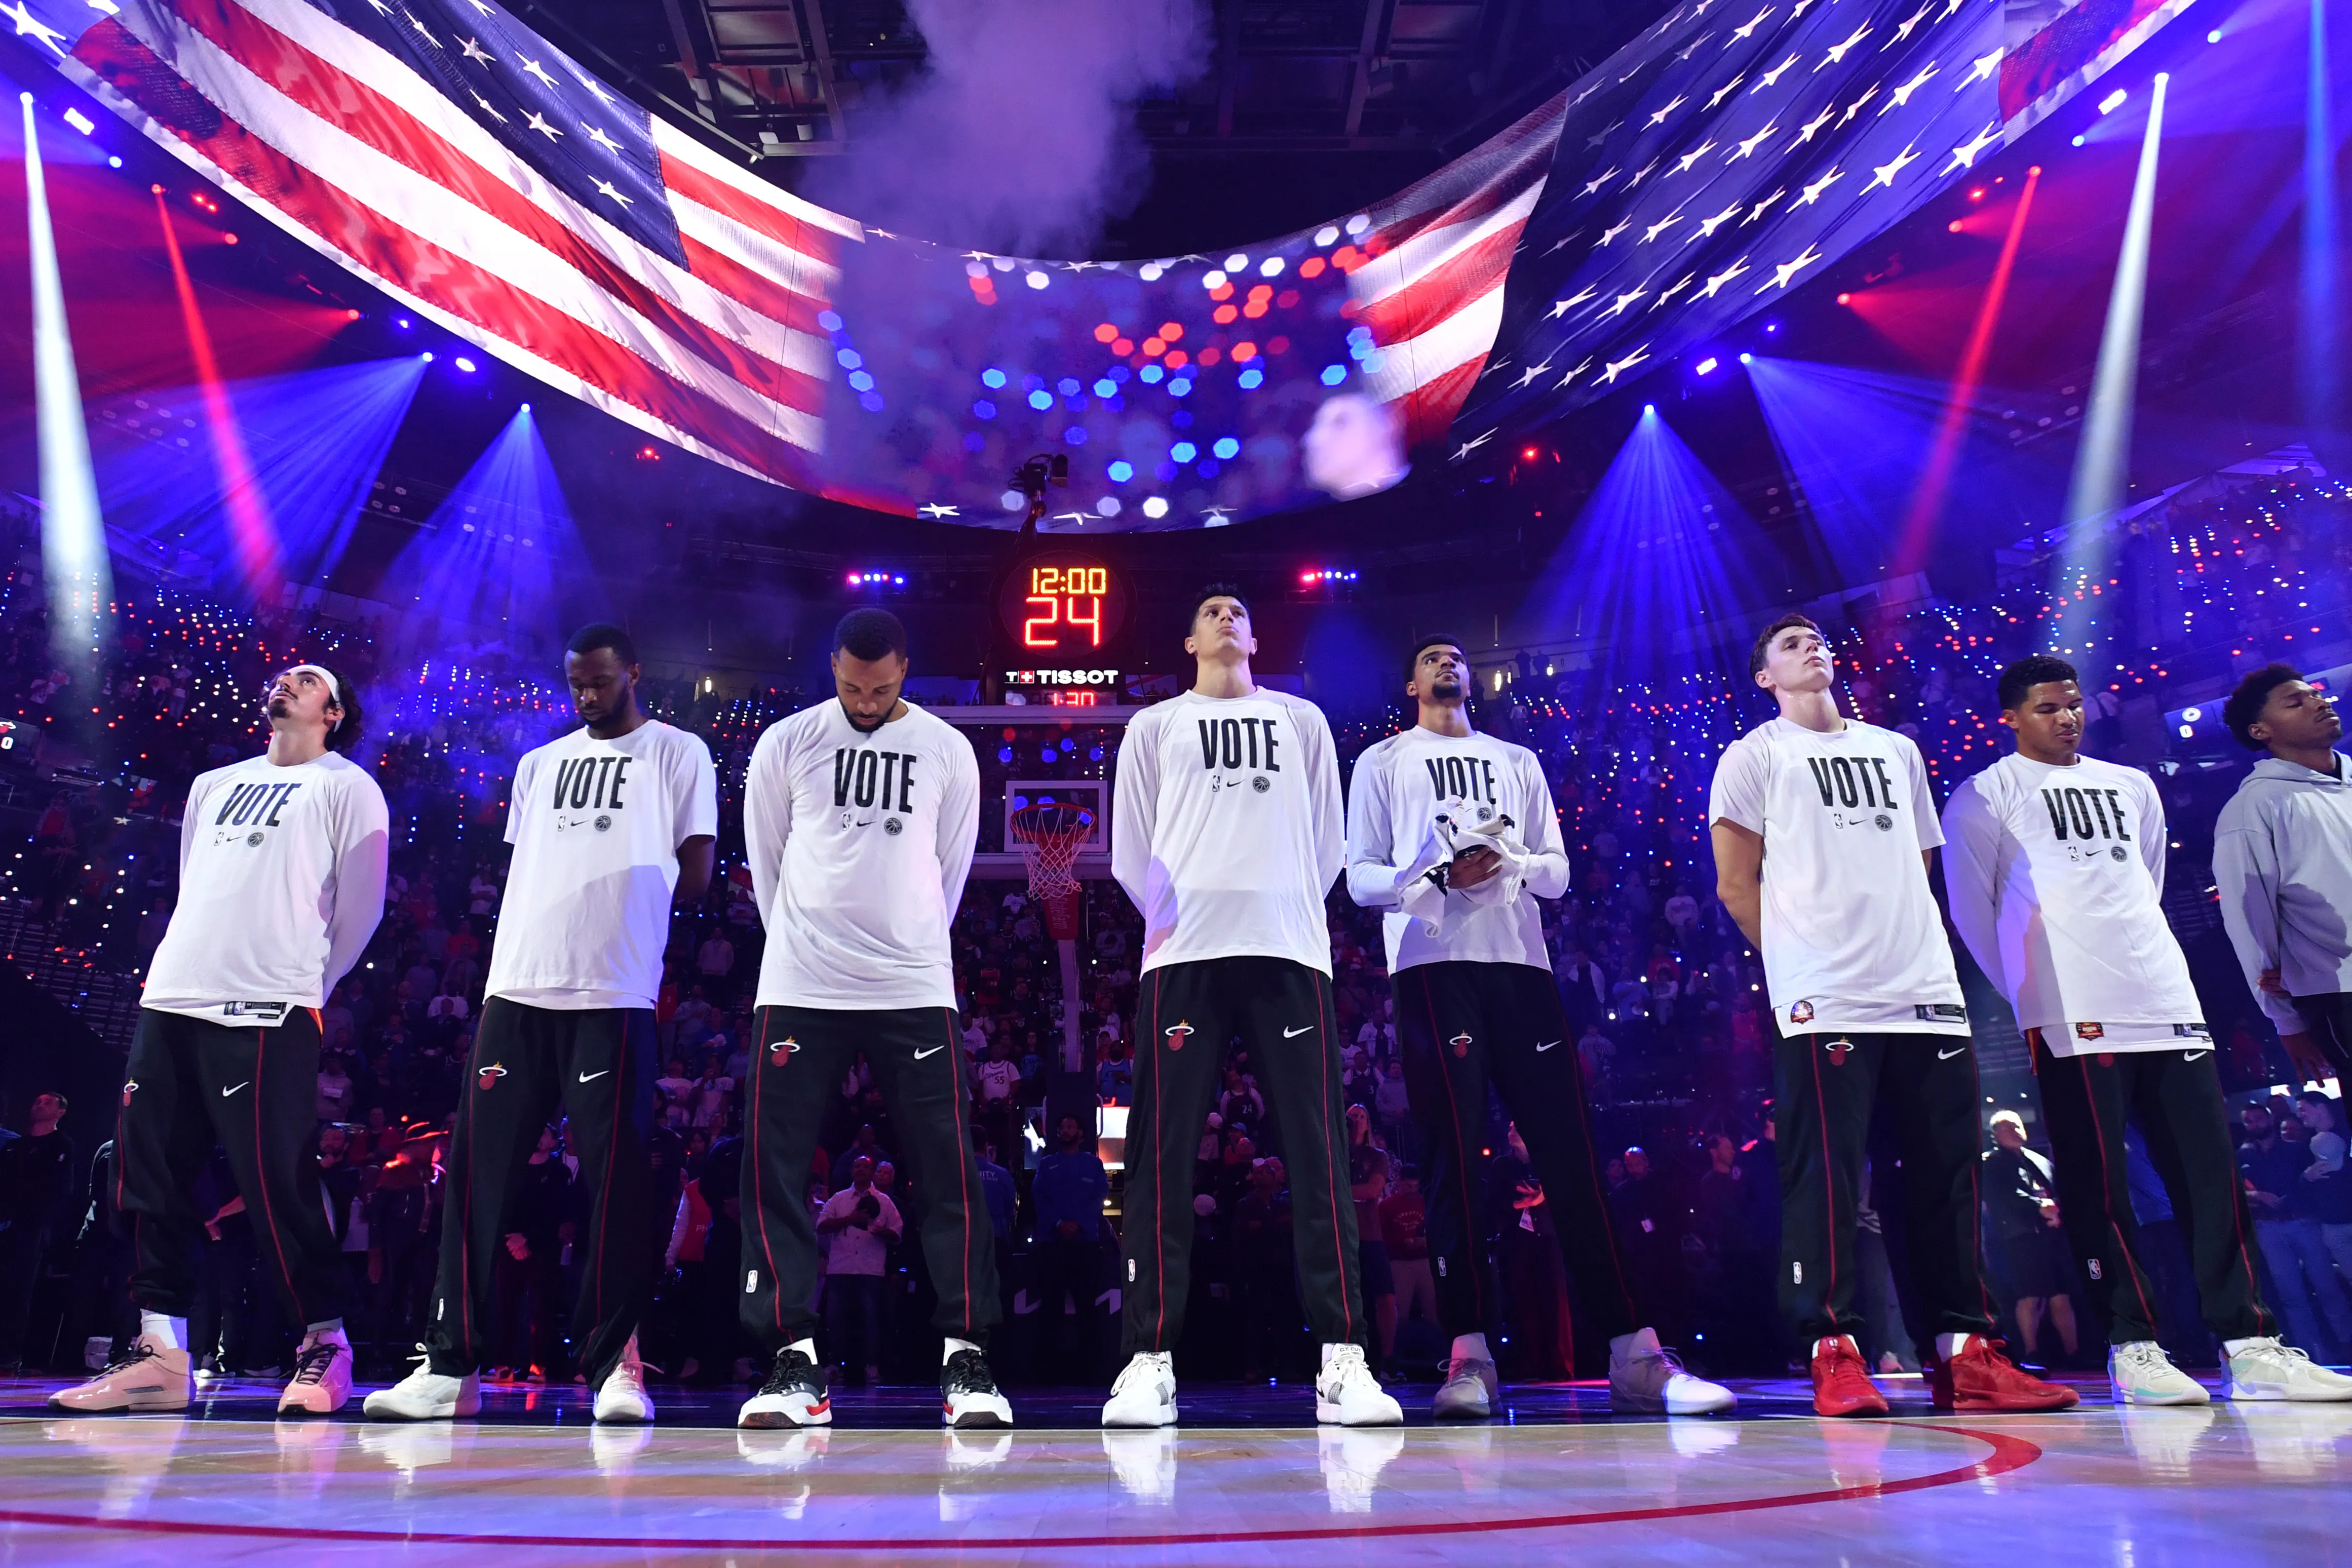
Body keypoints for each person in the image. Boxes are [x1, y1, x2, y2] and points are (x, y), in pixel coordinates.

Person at [1944, 655, 2349, 1402]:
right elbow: (1972, 912)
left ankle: (2250, 1340)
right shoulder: (1983, 796)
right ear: (2009, 717)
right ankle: (2132, 1347)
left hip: (2163, 995)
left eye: (2071, 704)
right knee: (2101, 1187)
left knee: (2209, 1178)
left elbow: (2147, 879)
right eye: (2045, 707)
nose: (2065, 717)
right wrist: (2031, 996)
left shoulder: (2130, 785)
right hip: (2068, 1012)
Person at [1346, 634, 1732, 1417]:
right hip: (1430, 967)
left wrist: (1508, 864)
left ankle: (1634, 1352)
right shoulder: (1383, 762)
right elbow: (1359, 881)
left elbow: (1555, 874)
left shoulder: (1516, 759)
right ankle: (1468, 1355)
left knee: (1571, 1157)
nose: (1447, 663)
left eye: (1456, 656)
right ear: (1410, 681)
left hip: (1520, 969)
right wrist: (1436, 874)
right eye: (1429, 657)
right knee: (1452, 1160)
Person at [1708, 614, 2073, 1417]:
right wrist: (1799, 964)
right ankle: (1832, 1349)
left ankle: (1963, 1353)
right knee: (1829, 1182)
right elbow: (1736, 885)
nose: (1811, 646)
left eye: (1815, 638)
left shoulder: (1895, 749)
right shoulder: (1752, 756)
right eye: (1787, 644)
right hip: (1823, 996)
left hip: (1922, 988)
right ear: (1763, 676)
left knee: (1946, 1179)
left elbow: (1917, 870)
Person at [364, 624, 713, 1426]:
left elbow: (694, 876)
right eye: (575, 684)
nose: (585, 695)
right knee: (474, 1179)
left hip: (614, 990)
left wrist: (627, 884)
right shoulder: (538, 765)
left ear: (633, 672)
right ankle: (448, 1364)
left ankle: (615, 1364)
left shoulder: (677, 753)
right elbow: (533, 868)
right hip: (516, 987)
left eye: (598, 681)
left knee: (613, 1187)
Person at [1102, 584, 1398, 1428]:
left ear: (1255, 634)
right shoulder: (1152, 727)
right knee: (1159, 1157)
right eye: (1210, 612)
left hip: (1287, 949)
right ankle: (1147, 1360)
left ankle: (1343, 1361)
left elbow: (1328, 841)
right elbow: (1129, 849)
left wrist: (1279, 903)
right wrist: (1176, 916)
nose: (1227, 617)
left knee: (1315, 1153)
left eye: (1238, 610)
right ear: (1188, 640)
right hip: (1185, 953)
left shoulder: (1300, 720)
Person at [54, 663, 386, 1416]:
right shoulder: (214, 783)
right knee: (149, 1174)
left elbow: (362, 908)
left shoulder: (347, 786)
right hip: (175, 994)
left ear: (333, 711)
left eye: (306, 679)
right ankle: (160, 1349)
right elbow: (193, 888)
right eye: (283, 673)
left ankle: (325, 1343)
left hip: (270, 1005)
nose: (286, 681)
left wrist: (307, 986)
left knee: (274, 1178)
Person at [733, 609, 1009, 1430]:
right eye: (850, 686)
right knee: (774, 1171)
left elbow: (948, 870)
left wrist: (908, 941)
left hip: (911, 981)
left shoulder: (947, 750)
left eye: (880, 688)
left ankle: (966, 1355)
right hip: (801, 978)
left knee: (948, 1169)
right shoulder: (786, 741)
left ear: (905, 671)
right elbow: (766, 862)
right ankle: (792, 1361)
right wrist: (803, 947)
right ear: (832, 667)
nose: (863, 699)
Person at [2213, 665, 2352, 1086]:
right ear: (2260, 731)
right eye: (2296, 702)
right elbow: (2249, 923)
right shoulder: (2253, 807)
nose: (2318, 701)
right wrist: (2285, 1022)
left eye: (2314, 693)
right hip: (2338, 992)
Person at [1977, 1112, 2078, 1366]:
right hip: (2019, 1238)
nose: (2015, 1130)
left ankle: (2074, 1353)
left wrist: (2056, 1212)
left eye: (2018, 1126)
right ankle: (2031, 1351)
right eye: (2008, 1127)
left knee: (2061, 1295)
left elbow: (2059, 1190)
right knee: (2030, 1295)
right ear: (1995, 1135)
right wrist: (2038, 1207)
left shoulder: (2039, 1161)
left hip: (2051, 1235)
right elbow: (2003, 1197)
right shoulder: (1991, 1162)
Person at [0, 1092, 75, 1374]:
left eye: (47, 1102)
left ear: (61, 1112)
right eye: (37, 1101)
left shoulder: (61, 1145)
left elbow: (60, 1193)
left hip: (30, 1231)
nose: (39, 1104)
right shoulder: (15, 1146)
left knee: (18, 1292)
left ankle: (10, 1356)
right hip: (5, 1226)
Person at [1032, 1113, 1109, 1378]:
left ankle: (1091, 1370)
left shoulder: (1094, 1165)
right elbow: (1039, 1198)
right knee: (1050, 1306)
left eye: (1070, 1126)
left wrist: (1078, 1224)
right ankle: (1046, 1370)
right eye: (1061, 1127)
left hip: (1085, 1244)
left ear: (1081, 1133)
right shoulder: (1047, 1165)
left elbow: (1098, 1198)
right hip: (1052, 1244)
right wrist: (1058, 1223)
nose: (1065, 1131)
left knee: (1087, 1306)